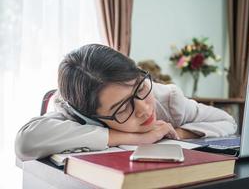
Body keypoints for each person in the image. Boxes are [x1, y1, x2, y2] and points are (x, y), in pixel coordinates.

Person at [15, 44, 237, 161]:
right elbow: (26, 141)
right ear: (91, 117)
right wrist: (135, 137)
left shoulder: (167, 99)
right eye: (122, 108)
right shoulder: (71, 113)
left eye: (140, 88)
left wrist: (179, 133)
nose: (143, 108)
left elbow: (227, 121)